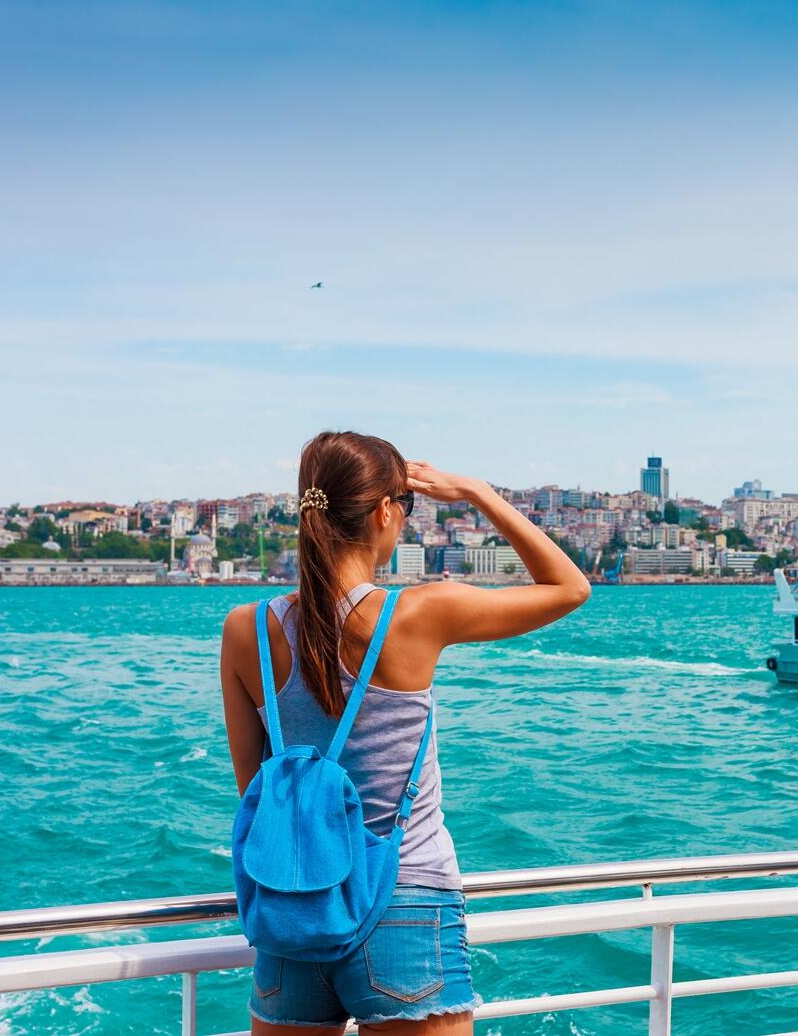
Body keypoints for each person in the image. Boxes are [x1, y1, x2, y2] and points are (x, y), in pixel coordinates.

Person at [219, 431, 591, 1035]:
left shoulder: (247, 630)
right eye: (407, 509)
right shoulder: (417, 614)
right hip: (405, 903)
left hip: (293, 911)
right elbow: (570, 587)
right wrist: (476, 493)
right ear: (385, 512)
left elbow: (256, 790)